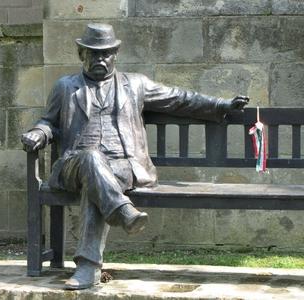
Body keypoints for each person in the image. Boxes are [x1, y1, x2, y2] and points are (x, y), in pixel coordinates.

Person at [21, 23, 249, 290]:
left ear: (115, 55)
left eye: (106, 54)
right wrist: (38, 133)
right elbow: (48, 122)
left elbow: (179, 99)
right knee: (93, 159)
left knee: (97, 183)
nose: (100, 59)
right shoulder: (65, 87)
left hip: (124, 166)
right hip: (75, 164)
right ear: (82, 55)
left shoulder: (136, 84)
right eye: (94, 54)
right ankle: (123, 212)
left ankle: (88, 268)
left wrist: (220, 104)